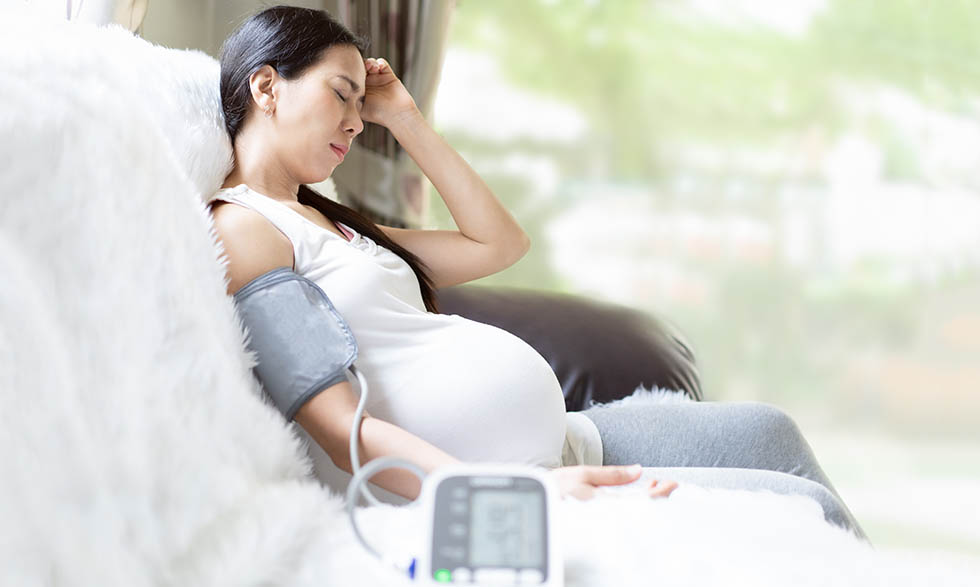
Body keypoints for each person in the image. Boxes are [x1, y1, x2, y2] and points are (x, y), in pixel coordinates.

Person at [208, 5, 866, 540]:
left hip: (566, 443)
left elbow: (498, 241)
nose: (357, 120)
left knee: (769, 430)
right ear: (267, 86)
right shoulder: (247, 229)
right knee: (808, 507)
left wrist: (404, 117)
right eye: (342, 96)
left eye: (362, 103)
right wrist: (518, 492)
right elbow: (340, 431)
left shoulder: (335, 222)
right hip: (504, 480)